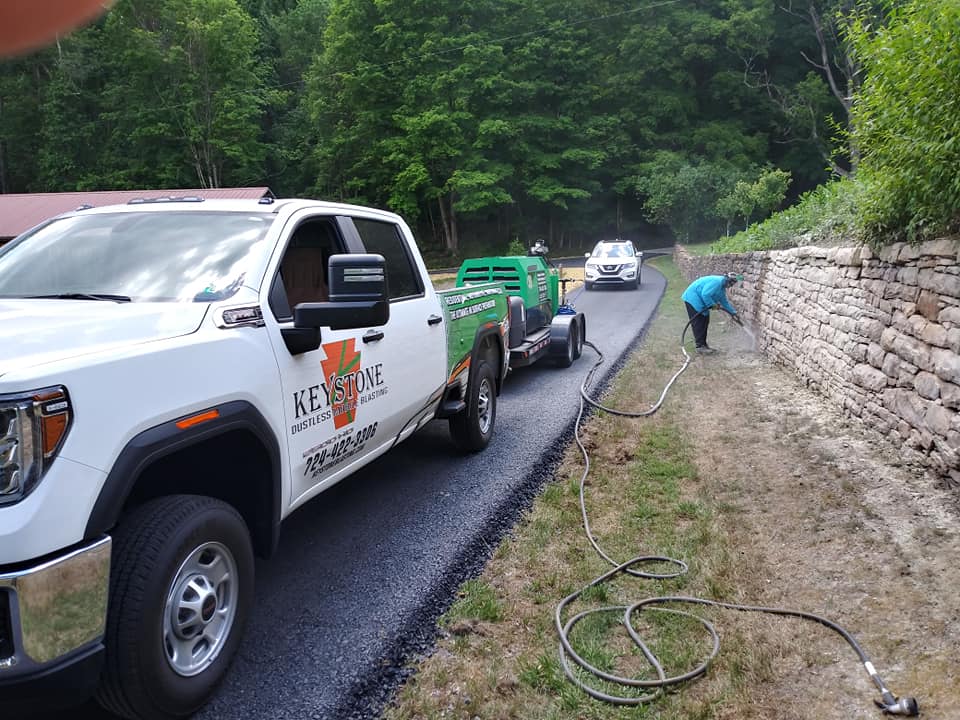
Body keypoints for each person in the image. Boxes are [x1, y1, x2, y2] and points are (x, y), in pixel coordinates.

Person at [681, 272, 742, 354]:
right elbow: (705, 294)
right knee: (699, 322)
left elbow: (724, 302)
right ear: (728, 280)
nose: (731, 285)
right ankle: (699, 346)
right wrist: (713, 305)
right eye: (731, 283)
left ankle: (703, 345)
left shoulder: (721, 288)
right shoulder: (717, 282)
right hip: (692, 298)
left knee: (705, 320)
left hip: (700, 301)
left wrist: (733, 313)